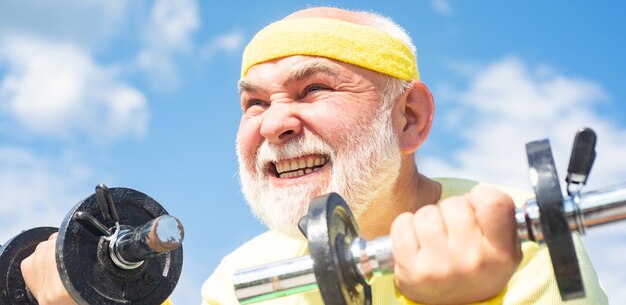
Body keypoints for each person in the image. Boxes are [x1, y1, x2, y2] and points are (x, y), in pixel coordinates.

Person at [20, 6, 607, 305]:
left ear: (410, 118)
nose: (274, 123)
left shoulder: (513, 230)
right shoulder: (236, 281)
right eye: (253, 103)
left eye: (314, 90)